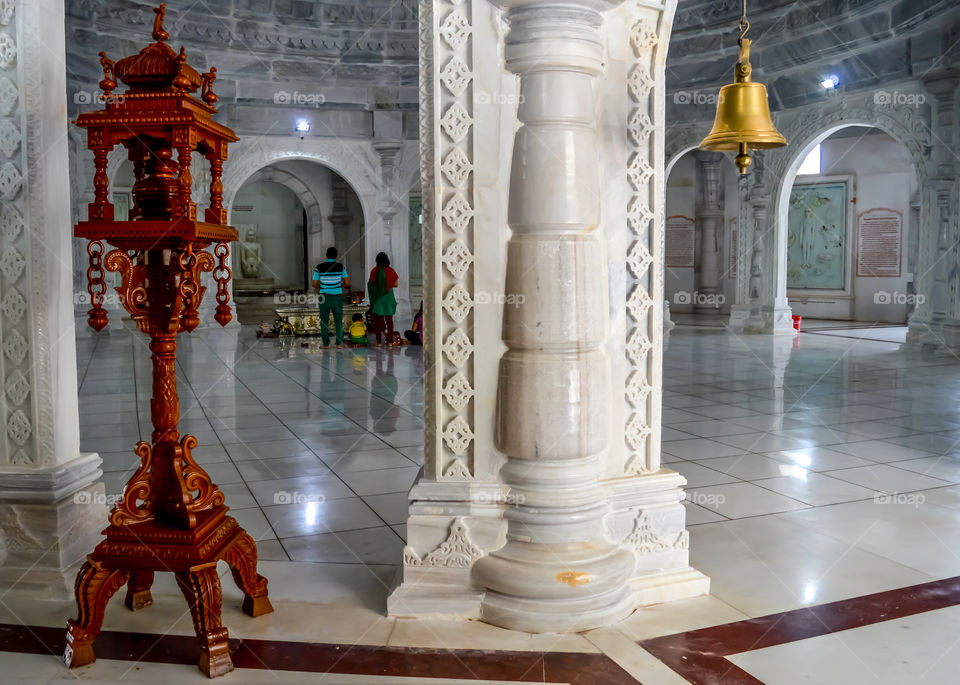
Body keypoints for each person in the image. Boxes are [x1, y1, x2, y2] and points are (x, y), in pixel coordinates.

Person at [312, 246, 350, 349]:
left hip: (324, 297)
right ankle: (339, 343)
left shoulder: (319, 267)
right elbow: (347, 282)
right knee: (338, 321)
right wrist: (339, 287)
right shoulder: (340, 267)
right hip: (337, 297)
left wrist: (321, 288)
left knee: (324, 321)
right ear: (336, 256)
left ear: (326, 254)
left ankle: (325, 344)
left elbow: (314, 283)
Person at [367, 252, 399, 346]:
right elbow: (396, 284)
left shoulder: (374, 270)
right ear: (387, 260)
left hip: (378, 299)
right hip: (388, 297)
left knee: (378, 321)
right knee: (389, 320)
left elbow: (371, 285)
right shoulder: (391, 270)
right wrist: (387, 285)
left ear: (377, 260)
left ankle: (378, 342)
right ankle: (389, 342)